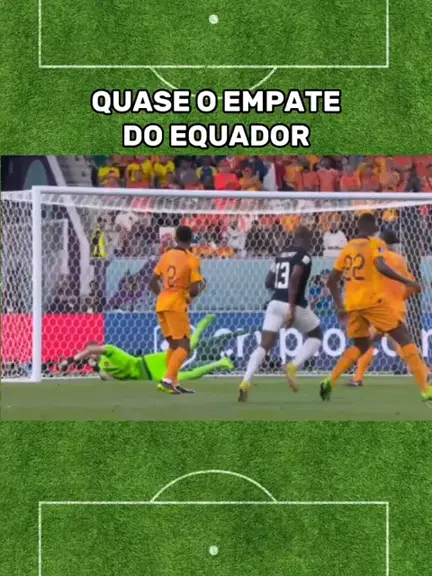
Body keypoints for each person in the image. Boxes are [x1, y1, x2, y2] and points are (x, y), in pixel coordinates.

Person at [320, 213, 432, 401]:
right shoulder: (377, 246)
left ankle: (331, 380)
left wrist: (340, 307)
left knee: (361, 345)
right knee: (404, 338)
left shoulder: (348, 248)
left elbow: (331, 281)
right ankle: (425, 388)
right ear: (374, 228)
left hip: (353, 304)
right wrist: (407, 283)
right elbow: (381, 266)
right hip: (376, 304)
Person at [238, 226, 323, 401]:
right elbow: (294, 278)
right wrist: (291, 308)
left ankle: (245, 381)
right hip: (294, 304)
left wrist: (280, 290)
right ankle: (293, 366)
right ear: (307, 239)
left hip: (275, 303)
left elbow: (268, 281)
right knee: (316, 334)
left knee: (264, 344)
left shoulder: (281, 255)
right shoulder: (305, 256)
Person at [58, 315, 237, 391]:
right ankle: (221, 363)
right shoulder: (103, 367)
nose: (90, 356)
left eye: (91, 354)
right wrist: (96, 369)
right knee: (189, 376)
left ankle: (201, 327)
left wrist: (69, 360)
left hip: (149, 362)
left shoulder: (110, 351)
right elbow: (109, 379)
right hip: (151, 375)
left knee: (187, 350)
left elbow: (90, 349)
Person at [351, 230, 431, 385]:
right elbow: (412, 285)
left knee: (377, 341)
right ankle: (357, 378)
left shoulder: (377, 257)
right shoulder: (400, 260)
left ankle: (425, 372)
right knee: (392, 341)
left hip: (381, 308)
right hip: (397, 307)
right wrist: (401, 298)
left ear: (382, 242)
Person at [149, 225, 207, 394]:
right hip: (176, 305)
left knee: (174, 345)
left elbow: (152, 281)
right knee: (184, 346)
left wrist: (163, 296)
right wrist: (196, 291)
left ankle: (173, 382)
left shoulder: (166, 256)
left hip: (162, 304)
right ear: (191, 239)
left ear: (175, 238)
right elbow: (194, 289)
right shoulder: (192, 259)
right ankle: (167, 380)